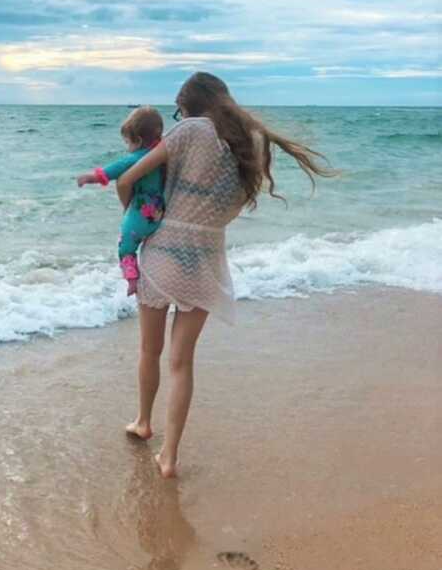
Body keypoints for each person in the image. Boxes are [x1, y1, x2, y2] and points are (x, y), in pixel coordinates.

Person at [116, 72, 332, 478]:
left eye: (178, 111)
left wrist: (134, 218)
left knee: (150, 350)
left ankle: (144, 423)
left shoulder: (188, 131)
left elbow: (127, 178)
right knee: (182, 362)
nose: (178, 117)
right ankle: (170, 457)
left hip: (164, 252)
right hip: (207, 258)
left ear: (188, 105)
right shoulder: (247, 142)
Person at [76, 106, 166, 295]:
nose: (128, 148)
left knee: (125, 246)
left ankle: (132, 280)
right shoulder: (163, 152)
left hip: (142, 212)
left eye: (128, 142)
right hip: (161, 210)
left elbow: (115, 169)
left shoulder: (139, 156)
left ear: (138, 140)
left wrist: (90, 177)